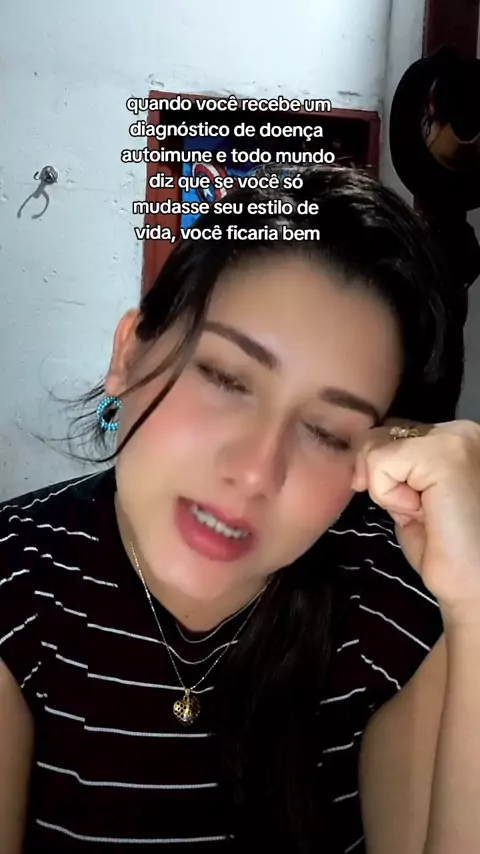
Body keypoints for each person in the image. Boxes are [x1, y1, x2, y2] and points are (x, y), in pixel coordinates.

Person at [1, 165, 479, 854]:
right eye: (225, 378)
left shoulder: (395, 610)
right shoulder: (14, 580)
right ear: (129, 352)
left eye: (327, 432)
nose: (256, 471)